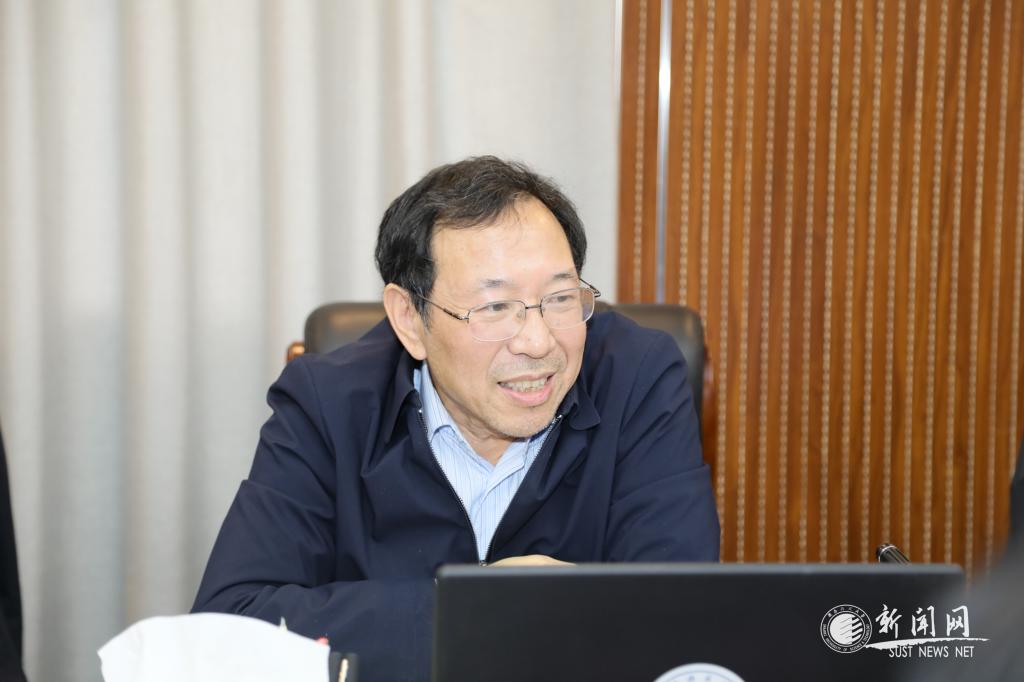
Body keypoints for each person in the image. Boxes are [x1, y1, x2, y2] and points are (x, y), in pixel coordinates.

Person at [192, 156, 719, 681]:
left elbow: (684, 621)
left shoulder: (637, 376)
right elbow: (230, 624)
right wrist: (477, 609)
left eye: (560, 298)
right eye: (495, 308)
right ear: (409, 319)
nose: (538, 342)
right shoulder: (328, 402)